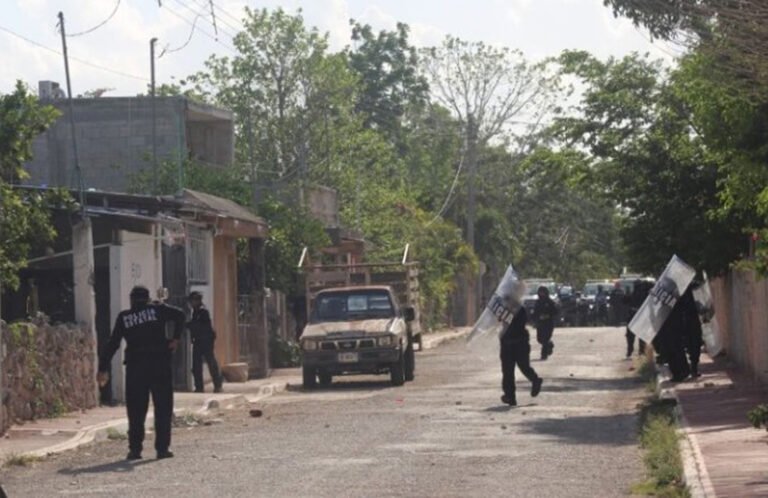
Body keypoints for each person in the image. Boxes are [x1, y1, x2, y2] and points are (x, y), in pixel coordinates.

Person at [98, 285, 186, 460]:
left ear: (131, 300)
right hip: (160, 364)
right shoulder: (158, 309)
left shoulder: (125, 317)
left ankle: (135, 449)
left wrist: (102, 367)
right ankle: (162, 449)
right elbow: (181, 315)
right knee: (163, 407)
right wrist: (176, 338)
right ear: (147, 298)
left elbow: (113, 343)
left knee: (136, 410)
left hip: (136, 367)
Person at [499, 306, 543, 406]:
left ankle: (534, 381)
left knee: (519, 368)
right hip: (512, 343)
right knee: (511, 370)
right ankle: (510, 396)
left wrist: (502, 314)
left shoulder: (517, 309)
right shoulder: (509, 309)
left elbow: (513, 322)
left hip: (515, 343)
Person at [188, 291, 223, 393]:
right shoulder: (195, 311)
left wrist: (189, 325)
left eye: (192, 301)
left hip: (206, 340)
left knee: (211, 363)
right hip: (199, 340)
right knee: (196, 365)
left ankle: (218, 385)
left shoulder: (203, 311)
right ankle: (199, 387)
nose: (191, 303)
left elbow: (200, 325)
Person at [625, 280, 649, 358]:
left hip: (639, 316)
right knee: (631, 335)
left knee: (639, 335)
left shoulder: (644, 295)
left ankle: (640, 351)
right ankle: (633, 350)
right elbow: (624, 300)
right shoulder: (634, 294)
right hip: (634, 315)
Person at [532, 286, 557, 360]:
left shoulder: (550, 302)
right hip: (540, 323)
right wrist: (533, 319)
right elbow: (535, 312)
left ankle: (544, 354)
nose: (541, 294)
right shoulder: (538, 302)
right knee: (540, 339)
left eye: (543, 292)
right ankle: (549, 344)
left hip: (548, 323)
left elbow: (555, 311)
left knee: (545, 338)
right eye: (540, 292)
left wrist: (548, 315)